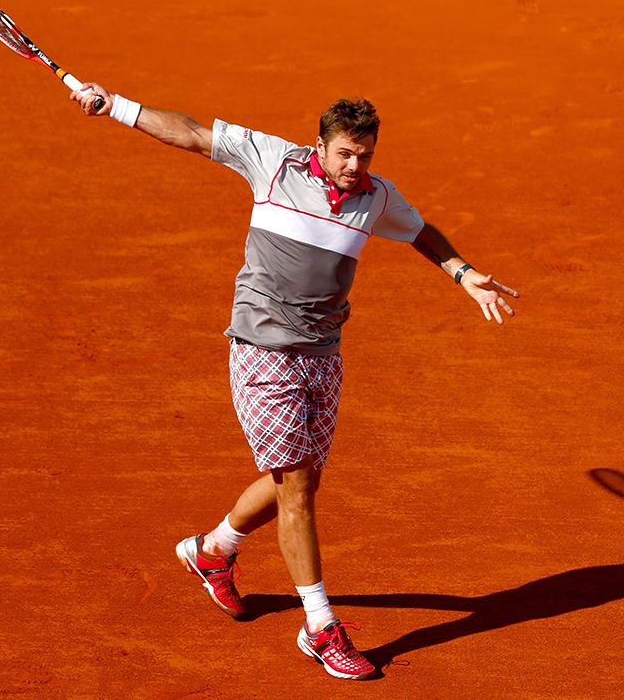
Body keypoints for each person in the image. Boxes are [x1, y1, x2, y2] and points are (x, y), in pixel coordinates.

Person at [69, 83, 519, 680]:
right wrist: (118, 107)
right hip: (261, 347)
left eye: (365, 156)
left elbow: (420, 231)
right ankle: (320, 627)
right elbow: (193, 132)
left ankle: (212, 552)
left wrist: (461, 273)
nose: (355, 167)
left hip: (323, 353)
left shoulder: (376, 197)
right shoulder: (271, 162)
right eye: (344, 155)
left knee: (297, 481)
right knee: (299, 486)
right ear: (319, 148)